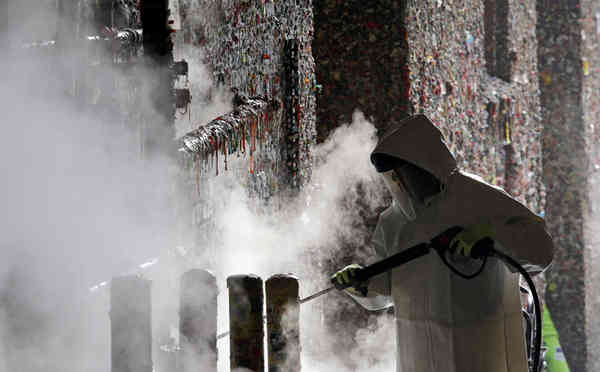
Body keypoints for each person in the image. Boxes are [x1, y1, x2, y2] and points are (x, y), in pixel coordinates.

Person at [332, 114, 554, 372]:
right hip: (418, 348)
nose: (399, 184)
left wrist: (491, 234)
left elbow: (542, 249)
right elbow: (386, 291)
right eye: (392, 178)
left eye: (402, 174)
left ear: (425, 165)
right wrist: (362, 283)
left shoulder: (478, 198)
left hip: (479, 342)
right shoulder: (393, 223)